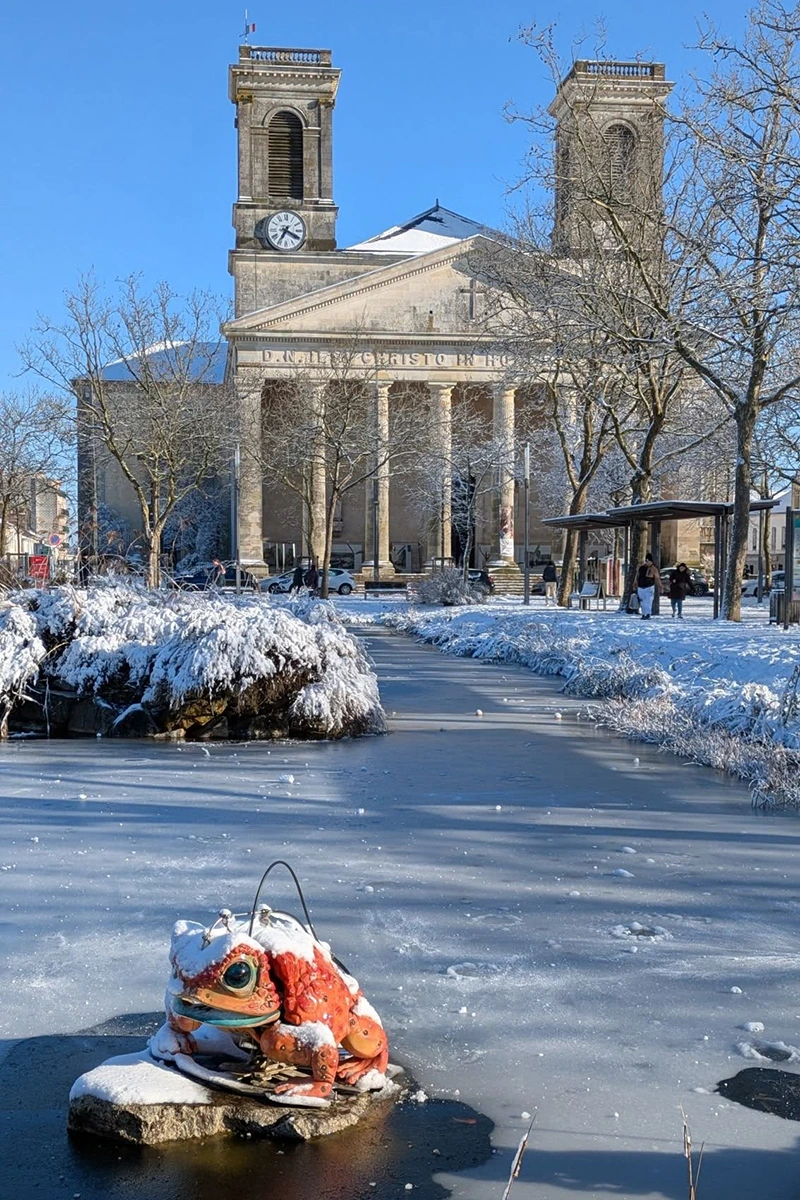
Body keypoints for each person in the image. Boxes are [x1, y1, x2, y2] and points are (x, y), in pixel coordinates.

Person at [636, 553, 661, 619]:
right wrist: (635, 583)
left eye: (649, 561)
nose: (648, 562)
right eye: (647, 561)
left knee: (648, 601)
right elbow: (637, 576)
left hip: (649, 587)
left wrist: (660, 586)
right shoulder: (641, 568)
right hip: (640, 586)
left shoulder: (654, 569)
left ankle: (648, 614)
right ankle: (644, 614)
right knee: (642, 602)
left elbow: (657, 578)